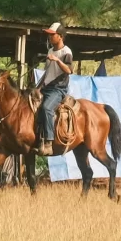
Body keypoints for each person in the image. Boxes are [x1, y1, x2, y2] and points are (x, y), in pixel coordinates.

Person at [34, 22, 76, 153]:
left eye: (52, 35)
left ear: (61, 36)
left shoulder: (66, 52)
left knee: (47, 108)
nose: (50, 37)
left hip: (58, 89)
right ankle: (36, 138)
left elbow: (69, 70)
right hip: (47, 87)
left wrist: (57, 60)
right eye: (49, 35)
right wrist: (38, 87)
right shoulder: (50, 50)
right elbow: (47, 72)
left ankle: (49, 142)